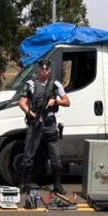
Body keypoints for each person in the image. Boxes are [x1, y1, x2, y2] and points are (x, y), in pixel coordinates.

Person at [18, 58, 70, 195]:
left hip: (50, 123)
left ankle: (57, 185)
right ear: (38, 69)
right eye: (42, 69)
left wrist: (55, 101)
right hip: (35, 122)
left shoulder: (56, 85)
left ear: (50, 70)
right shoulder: (30, 84)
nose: (44, 71)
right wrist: (31, 114)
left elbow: (67, 102)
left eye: (47, 69)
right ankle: (23, 184)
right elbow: (22, 102)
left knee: (54, 155)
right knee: (29, 153)